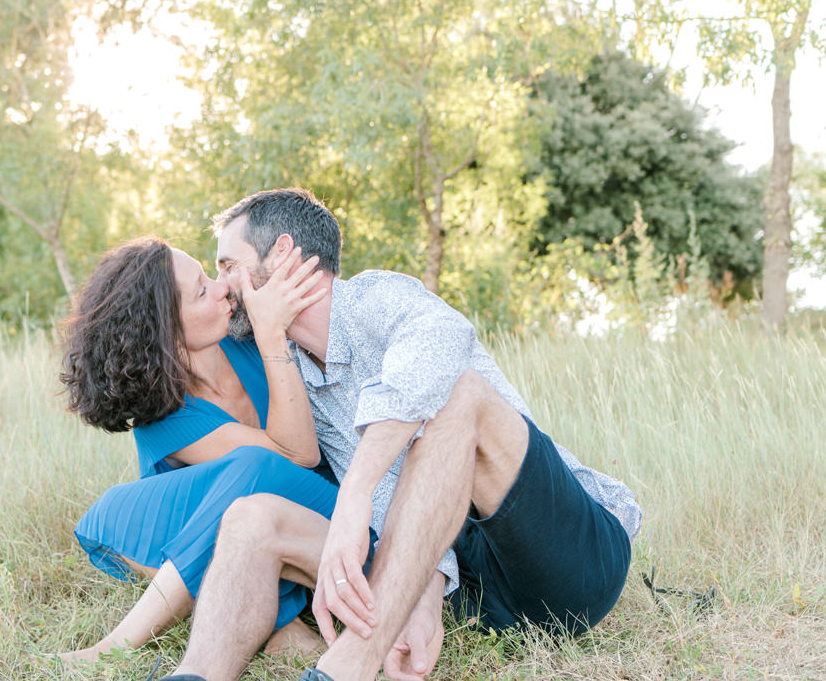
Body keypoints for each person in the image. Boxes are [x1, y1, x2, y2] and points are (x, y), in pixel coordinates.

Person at [158, 189, 643, 681]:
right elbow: (403, 496)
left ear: (281, 255)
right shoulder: (302, 376)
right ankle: (195, 674)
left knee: (460, 397)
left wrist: (356, 493)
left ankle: (345, 669)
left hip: (569, 564)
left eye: (227, 266)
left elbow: (442, 341)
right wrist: (428, 588)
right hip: (474, 599)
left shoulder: (375, 296)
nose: (221, 285)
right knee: (251, 517)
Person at [55, 236, 343, 661]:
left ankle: (116, 647)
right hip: (243, 530)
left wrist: (269, 335)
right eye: (202, 290)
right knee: (109, 513)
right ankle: (277, 620)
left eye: (209, 276)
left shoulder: (247, 335)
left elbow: (301, 458)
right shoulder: (167, 418)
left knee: (251, 465)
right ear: (167, 332)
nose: (223, 287)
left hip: (329, 511)